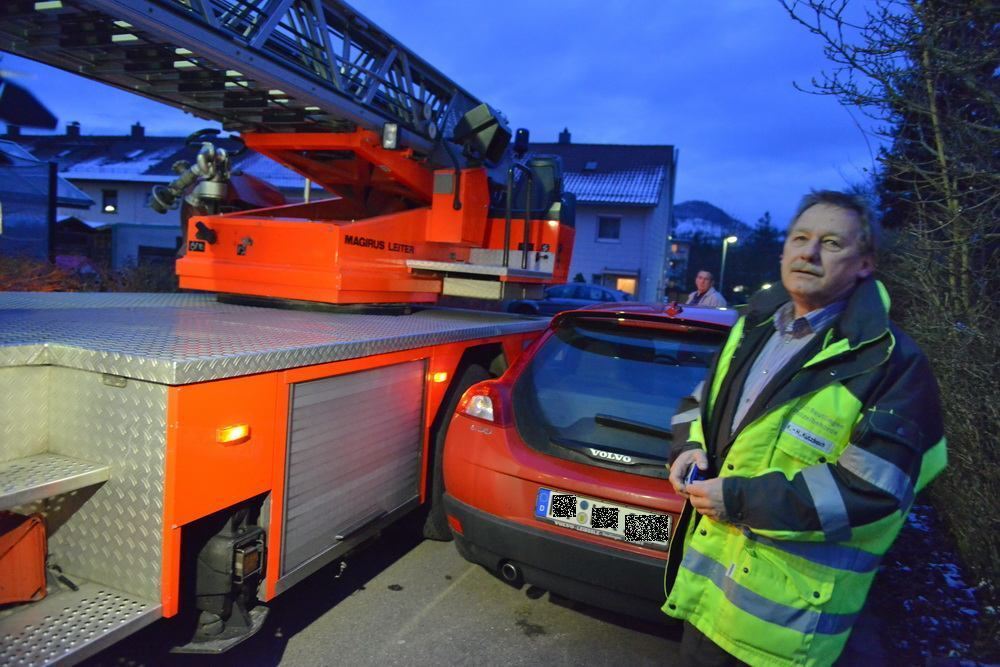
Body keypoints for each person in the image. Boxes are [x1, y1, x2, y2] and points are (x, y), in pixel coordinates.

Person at [663, 191, 947, 666]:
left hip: (787, 636)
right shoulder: (753, 327)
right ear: (783, 250)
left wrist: (738, 499)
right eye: (800, 238)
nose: (809, 253)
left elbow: (871, 491)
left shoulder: (893, 363)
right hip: (708, 607)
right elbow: (697, 403)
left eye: (831, 242)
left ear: (864, 264)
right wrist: (687, 450)